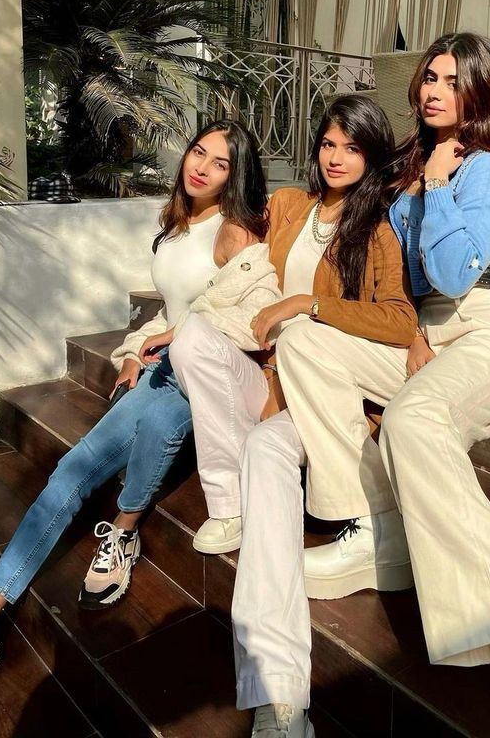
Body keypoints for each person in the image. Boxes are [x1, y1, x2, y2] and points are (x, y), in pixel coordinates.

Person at [277, 34, 490, 738]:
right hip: (433, 333)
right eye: (427, 77)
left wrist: (440, 188)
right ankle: (374, 529)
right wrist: (412, 328)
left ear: (478, 90)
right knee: (307, 341)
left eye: (451, 79)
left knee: (415, 421)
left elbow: (454, 275)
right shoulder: (412, 168)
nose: (432, 89)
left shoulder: (483, 170)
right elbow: (416, 285)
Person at [0, 120, 279, 680]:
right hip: (162, 366)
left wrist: (183, 334)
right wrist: (134, 348)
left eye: (219, 163)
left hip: (205, 374)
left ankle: (123, 528)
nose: (202, 167)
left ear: (233, 176)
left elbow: (257, 318)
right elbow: (169, 309)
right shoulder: (176, 225)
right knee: (72, 468)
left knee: (163, 420)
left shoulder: (236, 234)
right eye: (198, 152)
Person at [169, 95, 417, 738]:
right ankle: (281, 694)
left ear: (371, 158)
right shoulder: (287, 207)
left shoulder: (376, 231)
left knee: (265, 452)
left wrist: (309, 303)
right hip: (275, 381)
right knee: (194, 336)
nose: (336, 158)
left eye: (352, 148)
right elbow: (235, 214)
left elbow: (397, 319)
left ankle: (282, 703)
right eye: (329, 144)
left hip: (327, 400)